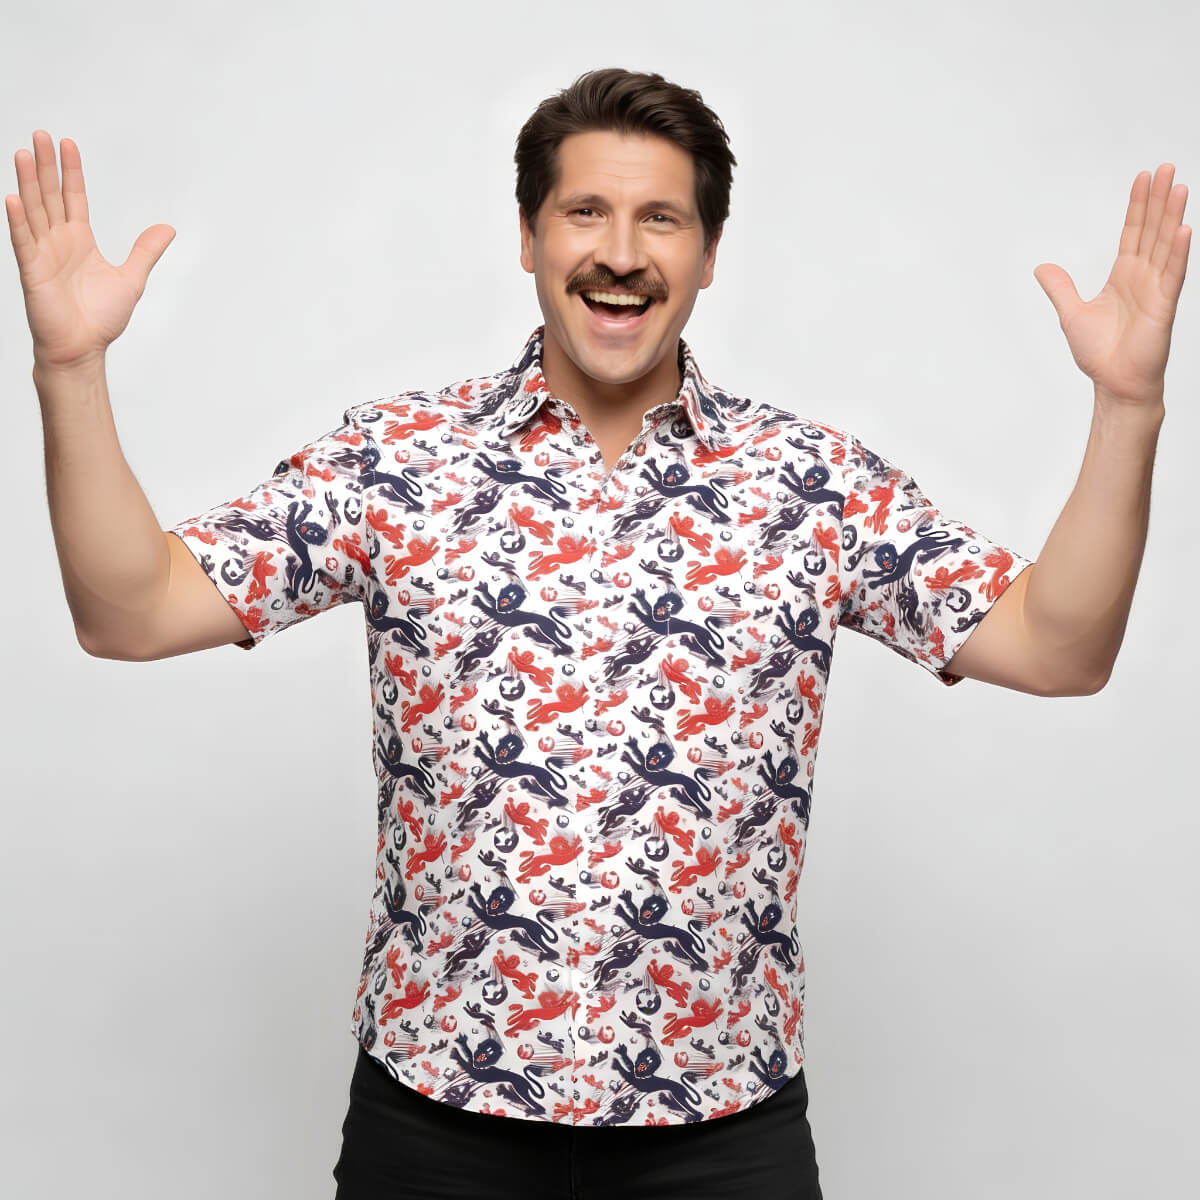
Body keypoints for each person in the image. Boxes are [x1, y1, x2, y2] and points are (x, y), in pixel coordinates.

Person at [7, 67, 1187, 1200]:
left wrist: (1128, 406)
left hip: (724, 1139)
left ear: (708, 255)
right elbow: (131, 611)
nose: (621, 252)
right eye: (585, 211)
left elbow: (1057, 646)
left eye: (661, 218)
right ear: (529, 237)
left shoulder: (811, 486)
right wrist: (70, 368)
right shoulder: (398, 463)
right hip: (435, 1134)